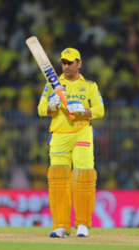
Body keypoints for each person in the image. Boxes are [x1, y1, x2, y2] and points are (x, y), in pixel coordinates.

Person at [38, 48, 104, 237]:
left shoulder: (90, 85)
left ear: (79, 63)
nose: (66, 66)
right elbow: (41, 109)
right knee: (58, 180)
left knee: (83, 176)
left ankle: (82, 223)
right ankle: (61, 226)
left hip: (82, 131)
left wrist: (84, 110)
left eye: (70, 62)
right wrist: (51, 108)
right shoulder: (52, 84)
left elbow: (100, 110)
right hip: (59, 135)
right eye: (63, 63)